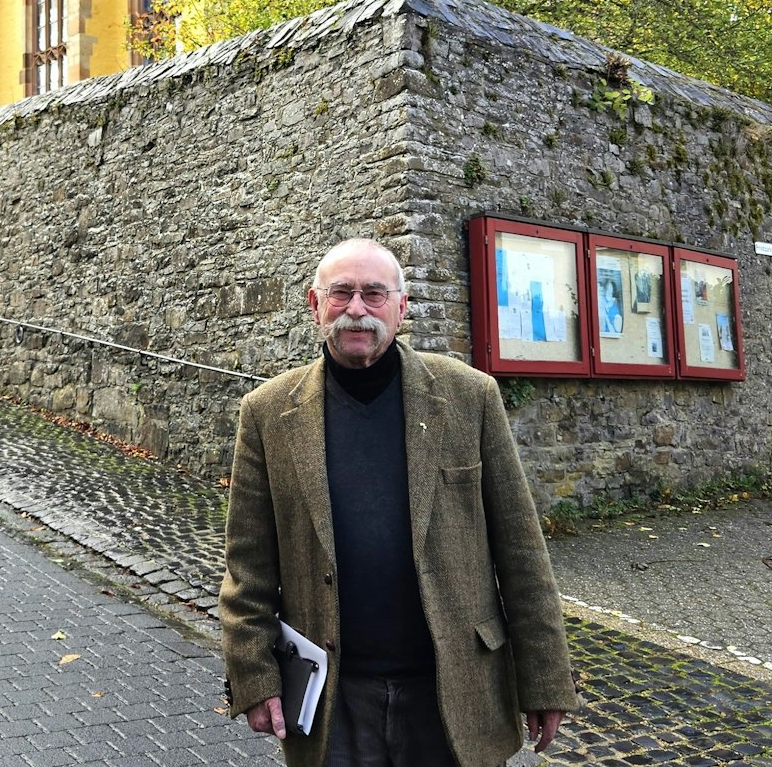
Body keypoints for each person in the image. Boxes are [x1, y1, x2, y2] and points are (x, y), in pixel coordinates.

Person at [220, 238, 581, 767]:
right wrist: (254, 676)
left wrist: (546, 678)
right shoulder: (267, 413)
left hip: (454, 686)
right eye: (340, 294)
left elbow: (522, 552)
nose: (357, 309)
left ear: (402, 306)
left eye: (374, 293)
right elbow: (247, 566)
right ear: (314, 304)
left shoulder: (469, 397)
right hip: (333, 698)